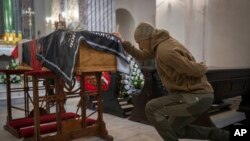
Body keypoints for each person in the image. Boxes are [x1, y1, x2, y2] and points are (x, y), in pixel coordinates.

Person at [113, 22, 229, 141]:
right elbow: (142, 55)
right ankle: (224, 136)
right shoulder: (160, 44)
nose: (140, 46)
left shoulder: (165, 51)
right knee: (175, 130)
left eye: (139, 43)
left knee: (152, 108)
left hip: (196, 96)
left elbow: (194, 69)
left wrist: (204, 66)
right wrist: (123, 42)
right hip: (194, 95)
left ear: (146, 39)